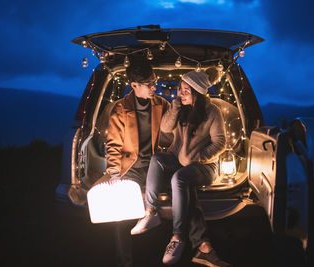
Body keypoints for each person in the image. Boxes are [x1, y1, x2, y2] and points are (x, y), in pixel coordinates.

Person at [131, 68, 232, 267]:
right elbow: (166, 128)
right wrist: (175, 107)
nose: (180, 93)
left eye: (186, 90)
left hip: (205, 167)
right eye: (180, 89)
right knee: (157, 159)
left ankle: (177, 237)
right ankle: (150, 213)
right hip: (178, 160)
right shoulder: (180, 107)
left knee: (179, 178)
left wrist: (199, 157)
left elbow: (220, 142)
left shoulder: (212, 112)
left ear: (197, 91)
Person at [96, 59, 170, 267]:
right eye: (149, 83)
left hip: (155, 166)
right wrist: (114, 174)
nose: (155, 87)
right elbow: (113, 145)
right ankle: (125, 261)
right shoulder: (120, 109)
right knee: (122, 214)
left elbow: (174, 130)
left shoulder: (162, 105)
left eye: (155, 82)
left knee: (174, 202)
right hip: (130, 167)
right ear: (134, 84)